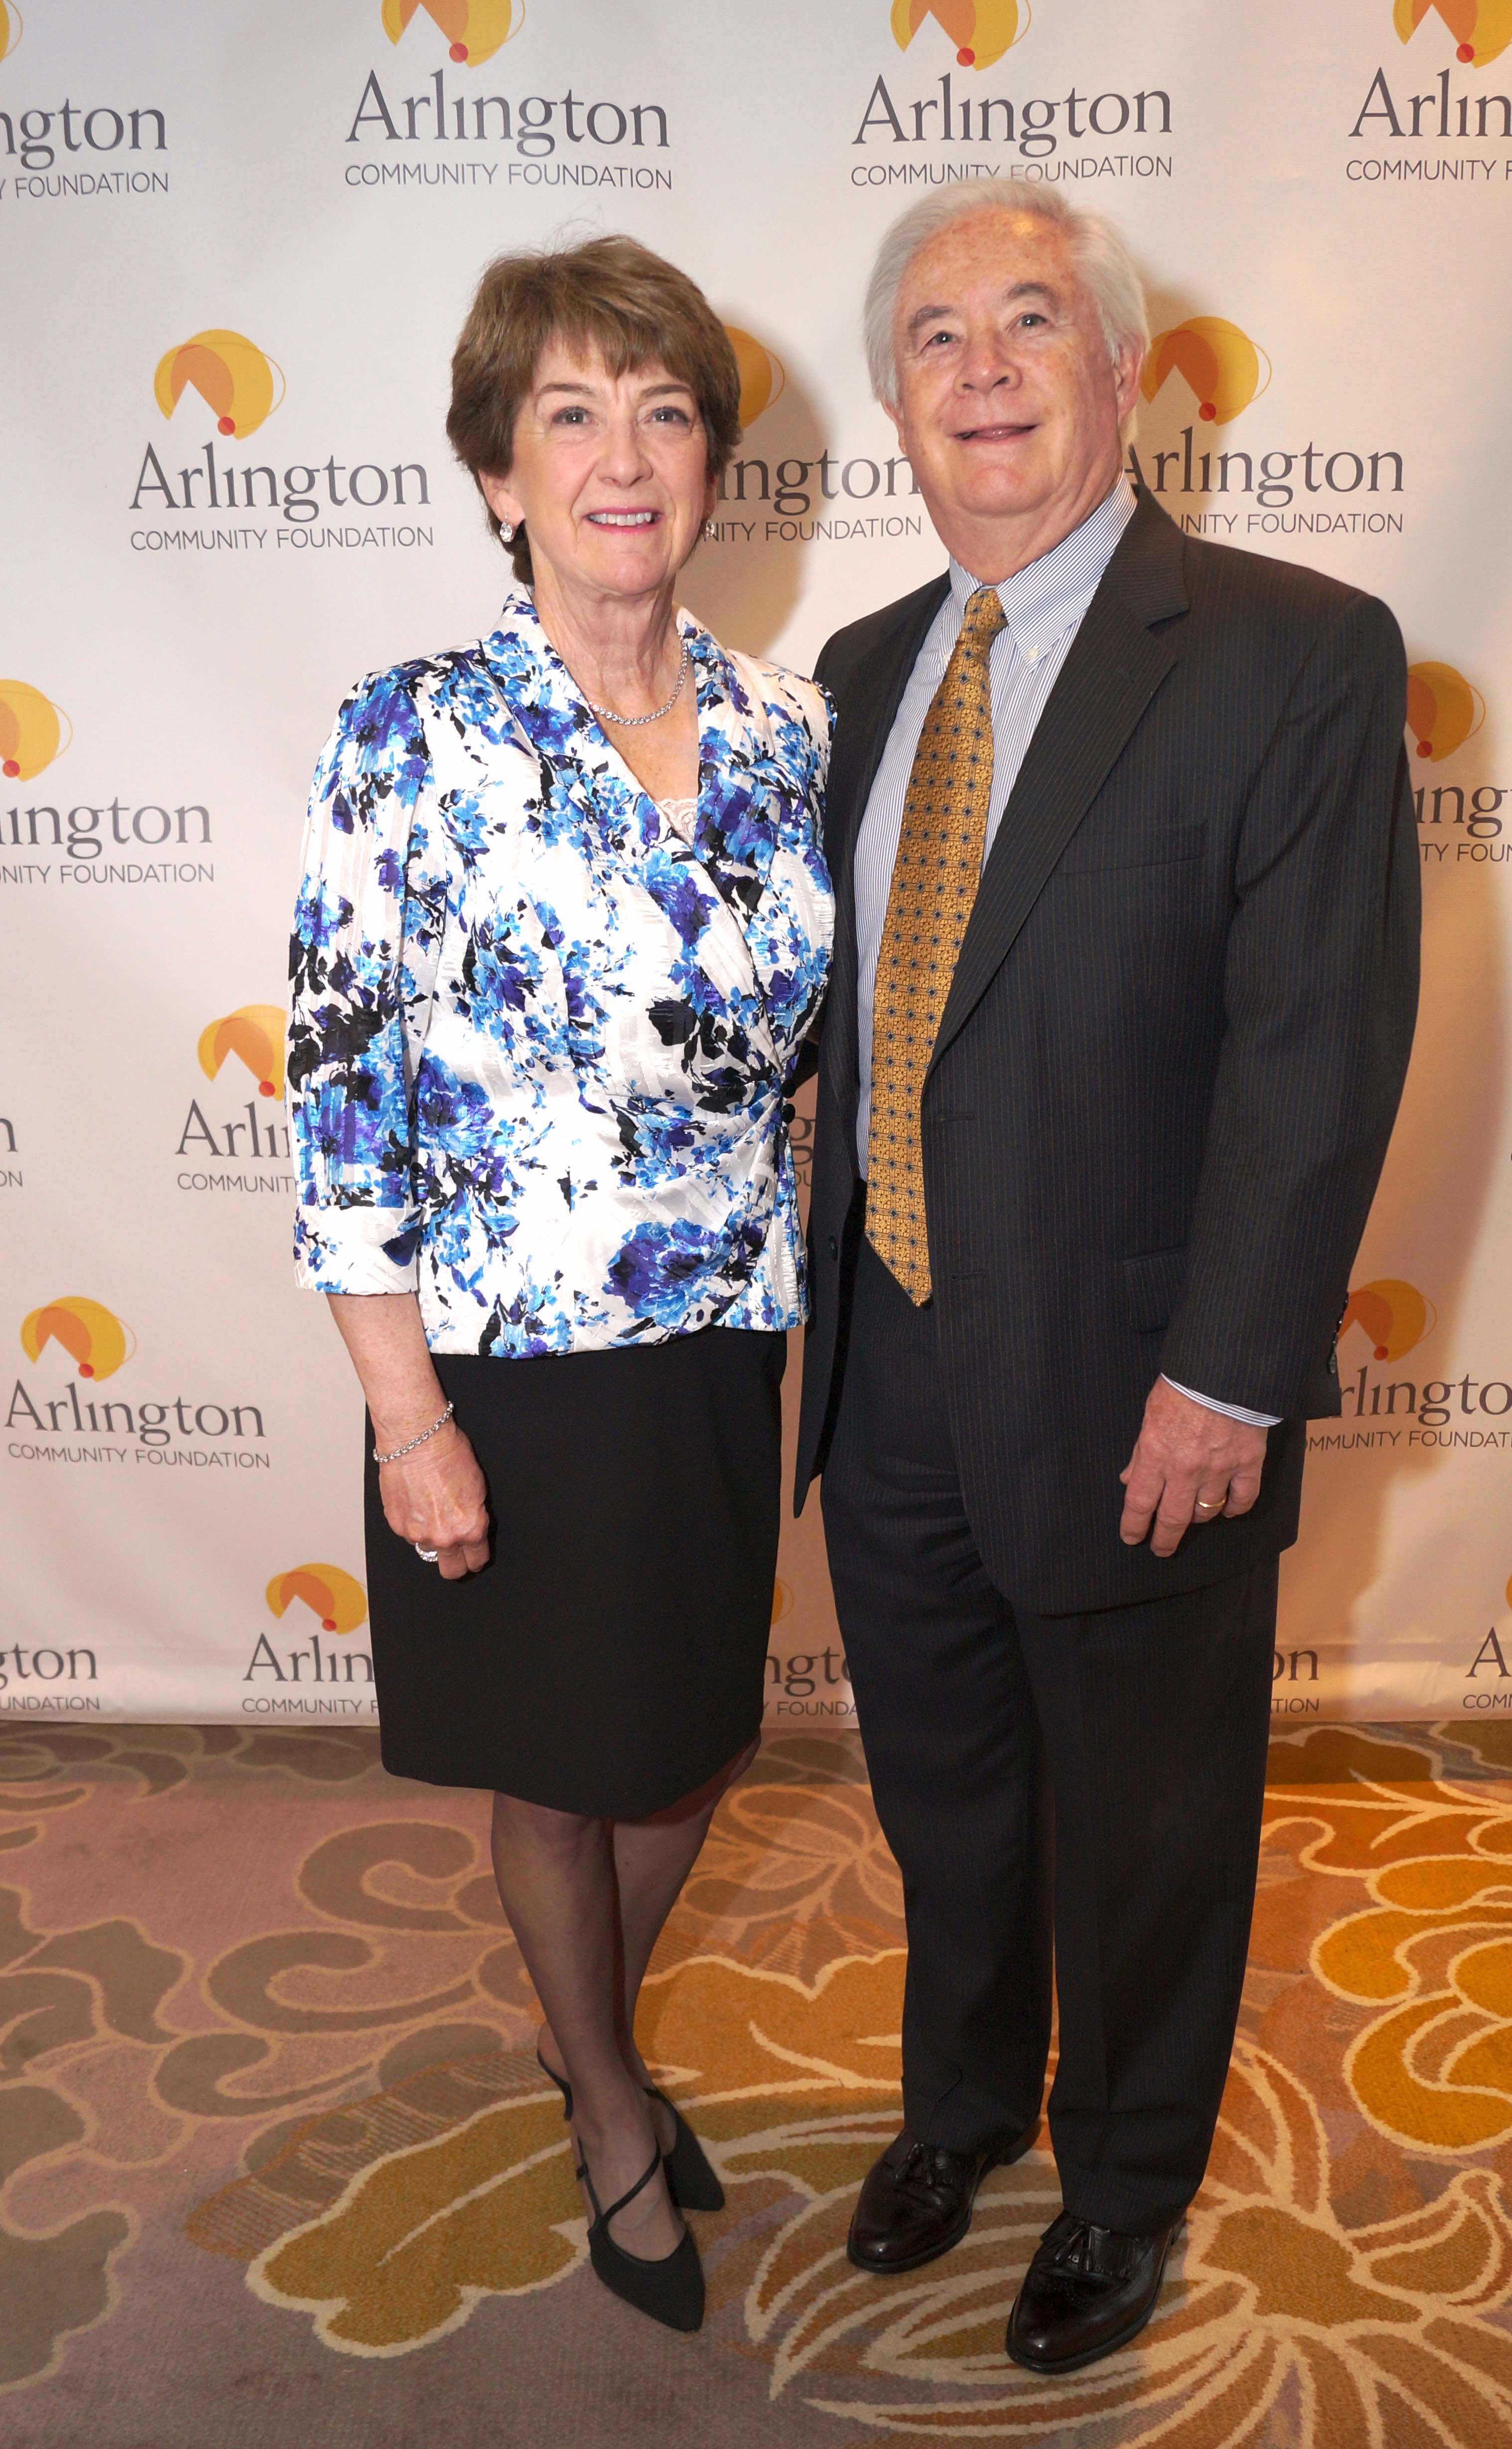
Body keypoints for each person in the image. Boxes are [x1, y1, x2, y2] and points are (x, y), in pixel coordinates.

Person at [796, 186, 1419, 2375]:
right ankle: (961, 2104)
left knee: (1151, 1824)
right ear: (895, 405)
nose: (981, 369)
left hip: (1142, 1378)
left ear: (1124, 374)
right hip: (887, 1361)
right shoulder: (857, 675)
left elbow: (1317, 1048)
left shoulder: (1293, 651)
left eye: (1030, 320)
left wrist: (1231, 1375)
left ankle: (1125, 2182)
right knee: (949, 1790)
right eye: (935, 336)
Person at [287, 237, 834, 2337]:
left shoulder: (791, 728)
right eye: (573, 414)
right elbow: (343, 1105)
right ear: (500, 473)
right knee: (557, 1765)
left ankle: (577, 2022)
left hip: (724, 1333)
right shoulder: (408, 734)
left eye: (666, 411)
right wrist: (404, 1416)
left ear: (710, 465)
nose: (625, 457)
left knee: (686, 1750)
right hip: (506, 1362)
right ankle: (605, 2090)